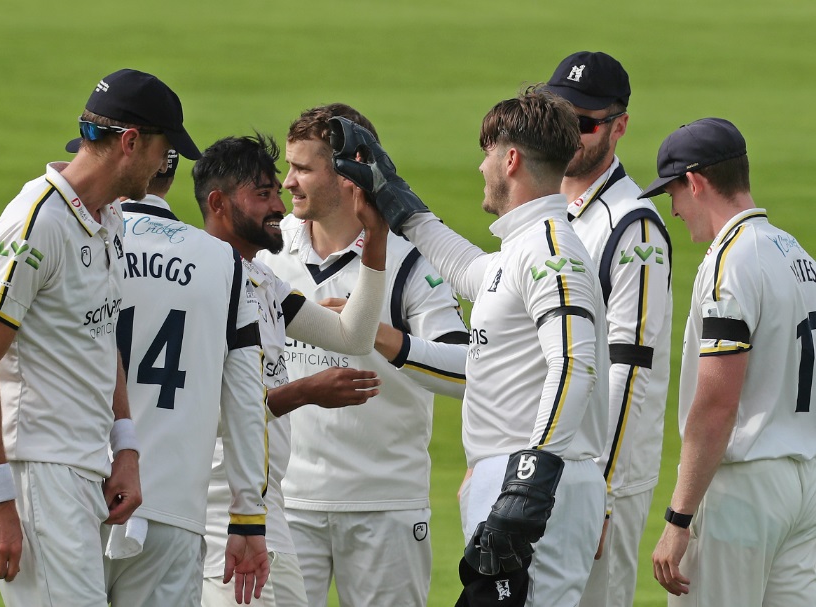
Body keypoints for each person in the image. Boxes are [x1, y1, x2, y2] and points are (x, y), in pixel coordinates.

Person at [331, 86, 609, 606]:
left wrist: (528, 483)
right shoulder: (522, 248)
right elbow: (463, 268)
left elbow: (574, 363)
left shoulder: (551, 251)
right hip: (517, 481)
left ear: (510, 159)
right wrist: (394, 194)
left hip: (534, 489)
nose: (481, 168)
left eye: (486, 154)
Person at [0, 68, 197, 606]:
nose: (166, 166)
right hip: (39, 474)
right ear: (131, 143)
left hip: (83, 469)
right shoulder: (36, 224)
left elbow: (99, 333)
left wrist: (126, 447)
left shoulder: (104, 219)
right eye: (164, 149)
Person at [258, 103, 469, 607]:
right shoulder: (269, 252)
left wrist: (372, 332)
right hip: (288, 504)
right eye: (289, 166)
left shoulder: (409, 261)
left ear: (350, 172)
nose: (288, 182)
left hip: (385, 505)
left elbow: (467, 372)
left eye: (304, 168)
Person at [194, 133, 389, 607]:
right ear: (219, 203)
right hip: (221, 512)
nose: (278, 204)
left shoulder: (264, 282)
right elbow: (203, 412)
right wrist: (303, 391)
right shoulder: (200, 284)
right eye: (262, 194)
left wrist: (376, 237)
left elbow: (352, 337)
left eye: (275, 192)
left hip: (266, 510)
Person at [643, 118, 816, 606]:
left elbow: (717, 402)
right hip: (804, 486)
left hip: (743, 491)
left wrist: (679, 519)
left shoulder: (729, 261)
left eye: (672, 192)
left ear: (695, 182)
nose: (674, 210)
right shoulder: (797, 254)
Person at [99, 146, 271, 606]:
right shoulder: (224, 262)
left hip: (82, 494)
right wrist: (248, 517)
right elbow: (246, 401)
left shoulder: (83, 239)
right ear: (170, 179)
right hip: (174, 508)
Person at [543, 51, 674, 607]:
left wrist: (603, 493)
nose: (570, 133)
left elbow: (631, 367)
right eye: (557, 116)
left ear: (618, 126)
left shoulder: (634, 227)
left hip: (599, 476)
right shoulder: (546, 211)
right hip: (543, 466)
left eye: (586, 123)